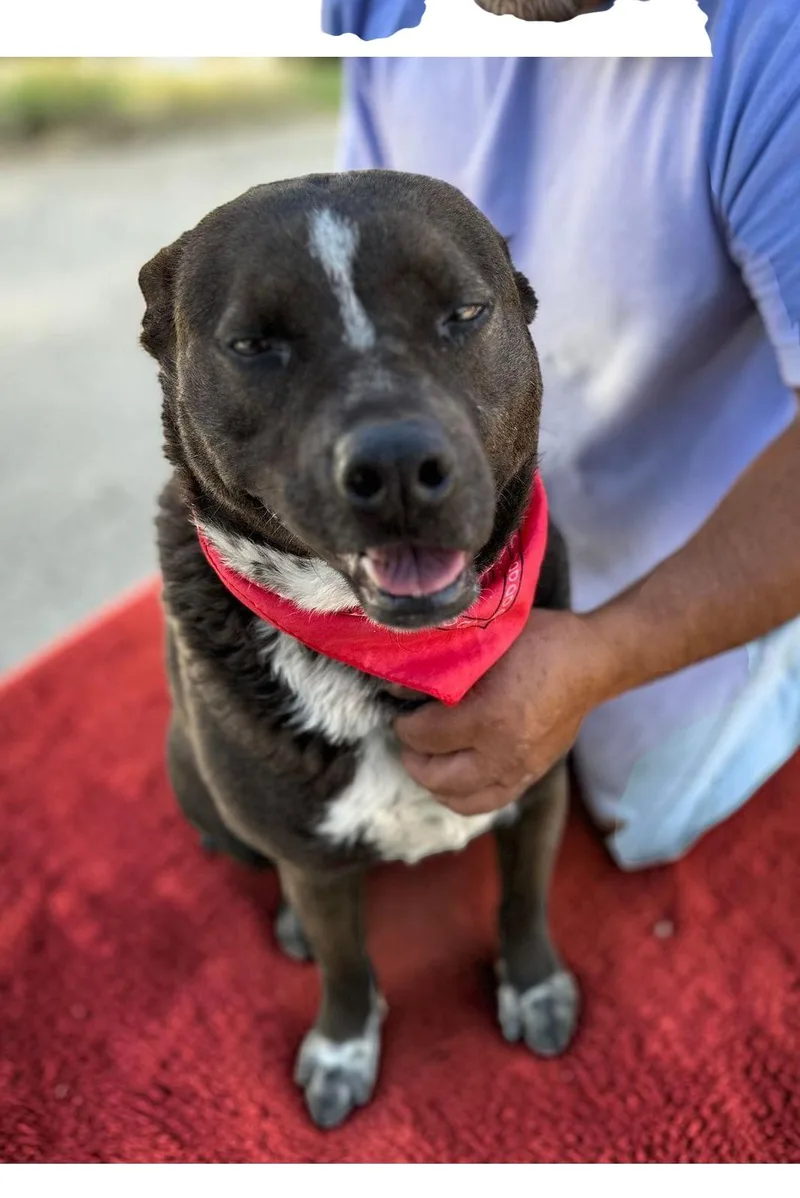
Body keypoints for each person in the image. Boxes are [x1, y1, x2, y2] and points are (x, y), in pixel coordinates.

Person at [331, 0, 800, 869]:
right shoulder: (376, 15)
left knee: (643, 811)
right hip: (485, 502)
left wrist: (606, 654)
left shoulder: (772, 41)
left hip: (703, 528)